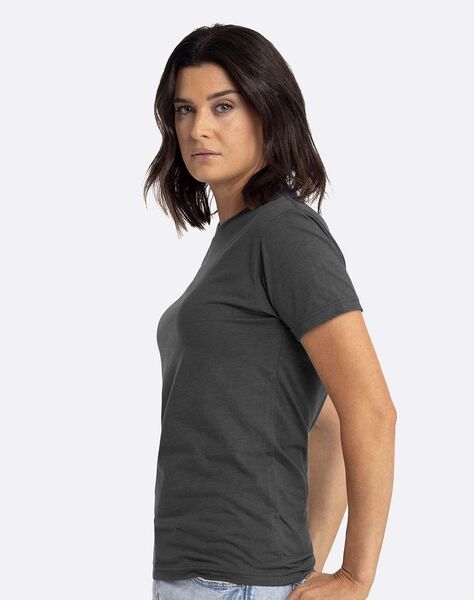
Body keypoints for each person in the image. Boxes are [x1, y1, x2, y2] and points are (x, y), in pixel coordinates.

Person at [143, 23, 397, 600]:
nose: (198, 128)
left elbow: (371, 411)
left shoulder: (284, 233)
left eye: (223, 106)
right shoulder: (238, 238)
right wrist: (303, 563)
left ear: (269, 110)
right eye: (184, 109)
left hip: (231, 583)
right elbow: (328, 422)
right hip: (209, 575)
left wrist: (354, 578)